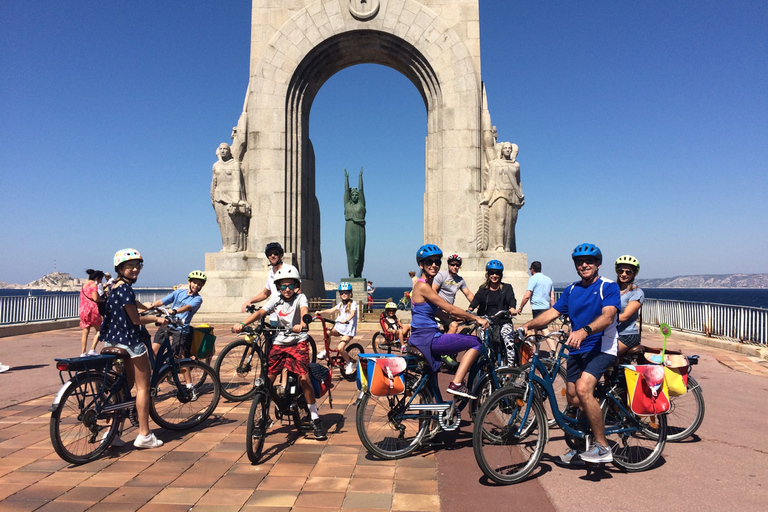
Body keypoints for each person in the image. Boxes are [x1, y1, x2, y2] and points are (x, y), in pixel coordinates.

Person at [523, 243, 620, 464]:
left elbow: (608, 317)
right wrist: (527, 325)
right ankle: (584, 443)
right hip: (578, 348)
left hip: (602, 347)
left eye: (589, 261)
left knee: (584, 390)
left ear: (598, 264)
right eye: (579, 262)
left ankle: (602, 446)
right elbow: (552, 313)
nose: (584, 265)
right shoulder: (573, 290)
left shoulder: (608, 287)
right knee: (574, 397)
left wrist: (584, 331)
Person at [233, 265, 326, 440]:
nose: (287, 289)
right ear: (278, 287)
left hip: (297, 341)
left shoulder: (301, 298)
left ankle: (314, 417)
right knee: (267, 380)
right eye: (283, 286)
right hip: (279, 342)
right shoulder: (276, 300)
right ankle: (263, 417)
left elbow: (305, 311)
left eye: (290, 285)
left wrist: (303, 324)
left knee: (304, 378)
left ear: (296, 286)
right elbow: (261, 312)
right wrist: (243, 324)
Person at [101, 249, 168, 449]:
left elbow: (132, 305)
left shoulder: (115, 287)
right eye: (130, 266)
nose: (135, 269)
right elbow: (135, 319)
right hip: (129, 342)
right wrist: (157, 318)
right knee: (143, 387)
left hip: (111, 342)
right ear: (120, 269)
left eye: (138, 266)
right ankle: (145, 435)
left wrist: (146, 307)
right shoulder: (126, 289)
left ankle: (112, 433)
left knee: (123, 388)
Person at [410, 244, 489, 398]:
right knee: (475, 342)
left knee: (431, 385)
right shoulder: (422, 286)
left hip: (423, 337)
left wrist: (459, 317)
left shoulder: (427, 285)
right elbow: (449, 308)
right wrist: (475, 318)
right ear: (421, 265)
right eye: (429, 262)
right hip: (428, 338)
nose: (434, 265)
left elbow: (441, 313)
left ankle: (433, 418)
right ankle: (457, 384)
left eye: (437, 262)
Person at [149, 271, 206, 363]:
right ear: (189, 282)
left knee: (180, 357)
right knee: (153, 351)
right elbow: (162, 301)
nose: (196, 285)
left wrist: (175, 311)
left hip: (180, 328)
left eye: (199, 284)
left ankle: (187, 378)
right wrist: (149, 307)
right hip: (167, 324)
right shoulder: (179, 292)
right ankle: (159, 374)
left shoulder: (197, 299)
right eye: (194, 282)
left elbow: (187, 307)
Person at [469, 260, 517, 364]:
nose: (494, 275)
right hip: (486, 320)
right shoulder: (483, 289)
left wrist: (512, 308)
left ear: (501, 275)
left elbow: (511, 299)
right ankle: (485, 361)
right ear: (488, 274)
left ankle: (510, 369)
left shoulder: (506, 288)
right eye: (492, 273)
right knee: (483, 340)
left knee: (508, 340)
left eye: (497, 273)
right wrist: (470, 309)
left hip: (503, 320)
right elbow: (476, 299)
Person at [481, 141, 524, 252]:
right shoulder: (495, 164)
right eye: (505, 148)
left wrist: (521, 195)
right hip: (499, 193)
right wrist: (487, 196)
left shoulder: (516, 165)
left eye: (509, 148)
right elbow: (492, 181)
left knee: (510, 223)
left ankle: (507, 246)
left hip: (513, 194)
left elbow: (518, 182)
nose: (507, 150)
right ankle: (499, 245)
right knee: (500, 219)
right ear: (501, 150)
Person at [211, 142, 250, 252]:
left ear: (229, 151)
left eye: (225, 149)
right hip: (218, 196)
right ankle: (225, 246)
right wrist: (212, 197)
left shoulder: (234, 164)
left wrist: (236, 198)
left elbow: (237, 182)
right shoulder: (215, 165)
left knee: (232, 222)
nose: (223, 151)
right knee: (221, 222)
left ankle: (234, 245)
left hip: (231, 197)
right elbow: (213, 182)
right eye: (221, 149)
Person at [315, 283, 358, 374]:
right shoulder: (340, 304)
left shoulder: (353, 303)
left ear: (350, 293)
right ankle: (326, 351)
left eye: (346, 292)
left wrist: (346, 319)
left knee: (340, 348)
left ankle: (349, 362)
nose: (344, 294)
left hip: (348, 331)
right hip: (339, 328)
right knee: (327, 333)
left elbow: (352, 313)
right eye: (342, 292)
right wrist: (321, 312)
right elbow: (331, 310)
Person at [516, 261, 556, 354]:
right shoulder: (548, 279)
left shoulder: (533, 279)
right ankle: (530, 352)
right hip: (546, 308)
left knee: (544, 329)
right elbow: (552, 297)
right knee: (534, 330)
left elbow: (527, 295)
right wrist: (553, 310)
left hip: (537, 308)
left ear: (532, 269)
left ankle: (554, 352)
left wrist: (521, 307)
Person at [241, 242, 285, 326]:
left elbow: (297, 292)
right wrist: (250, 301)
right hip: (274, 317)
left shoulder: (289, 270)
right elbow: (265, 293)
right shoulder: (271, 273)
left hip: (286, 317)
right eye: (269, 254)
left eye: (275, 253)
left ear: (281, 255)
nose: (272, 255)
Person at [432, 254, 475, 334]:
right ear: (448, 265)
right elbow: (433, 291)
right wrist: (441, 305)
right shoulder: (441, 276)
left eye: (457, 265)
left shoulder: (460, 280)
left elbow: (469, 294)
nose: (455, 267)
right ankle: (445, 345)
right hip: (439, 309)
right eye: (452, 264)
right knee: (454, 325)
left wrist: (479, 306)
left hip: (449, 310)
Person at [615, 255, 644, 359]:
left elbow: (624, 317)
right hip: (611, 332)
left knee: (602, 357)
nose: (623, 274)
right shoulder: (612, 289)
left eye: (628, 272)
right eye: (620, 271)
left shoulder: (636, 292)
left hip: (627, 335)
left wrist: (603, 318)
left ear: (634, 274)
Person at [344, 168, 366, 277]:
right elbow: (346, 192)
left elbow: (361, 190)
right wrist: (346, 178)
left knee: (360, 253)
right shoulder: (347, 204)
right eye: (353, 195)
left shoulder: (361, 204)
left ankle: (358, 273)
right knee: (350, 252)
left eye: (356, 194)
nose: (354, 196)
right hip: (349, 227)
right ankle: (351, 273)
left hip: (360, 229)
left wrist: (360, 177)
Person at [79, 269, 105, 357]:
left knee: (85, 331)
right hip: (92, 310)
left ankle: (83, 352)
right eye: (101, 279)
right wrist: (102, 300)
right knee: (100, 330)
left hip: (83, 309)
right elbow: (95, 298)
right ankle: (92, 349)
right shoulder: (93, 284)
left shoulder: (84, 285)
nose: (101, 282)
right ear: (97, 278)